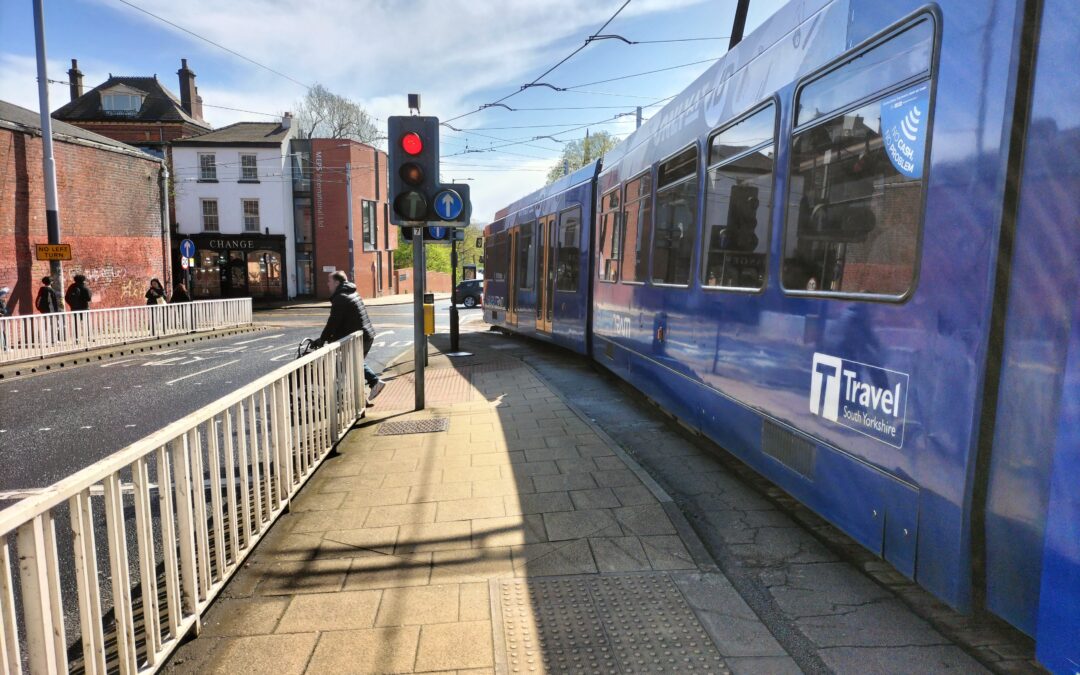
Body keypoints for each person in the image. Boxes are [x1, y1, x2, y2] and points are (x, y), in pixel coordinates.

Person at [318, 271, 386, 401]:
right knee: (354, 368)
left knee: (354, 364)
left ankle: (374, 382)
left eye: (329, 281)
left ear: (337, 283)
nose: (327, 284)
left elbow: (333, 322)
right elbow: (345, 322)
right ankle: (360, 400)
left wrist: (323, 339)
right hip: (366, 335)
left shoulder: (341, 298)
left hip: (359, 338)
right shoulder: (351, 292)